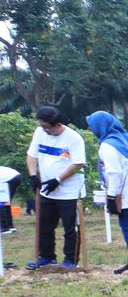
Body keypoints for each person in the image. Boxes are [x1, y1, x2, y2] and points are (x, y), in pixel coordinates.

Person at [88, 111, 128, 273]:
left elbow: (114, 172)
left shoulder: (108, 145)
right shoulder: (124, 139)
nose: (91, 130)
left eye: (92, 126)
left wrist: (111, 197)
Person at [25, 106, 86, 269]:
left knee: (70, 227)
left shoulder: (73, 138)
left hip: (68, 192)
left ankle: (70, 260)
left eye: (46, 127)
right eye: (42, 126)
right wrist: (33, 175)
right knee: (44, 225)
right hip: (46, 191)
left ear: (57, 124)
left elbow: (78, 163)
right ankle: (46, 257)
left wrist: (58, 180)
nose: (43, 130)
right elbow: (31, 155)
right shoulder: (40, 133)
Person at [0, 165, 19, 234]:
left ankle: (4, 228)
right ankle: (10, 226)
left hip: (9, 178)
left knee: (1, 202)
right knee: (6, 202)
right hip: (15, 176)